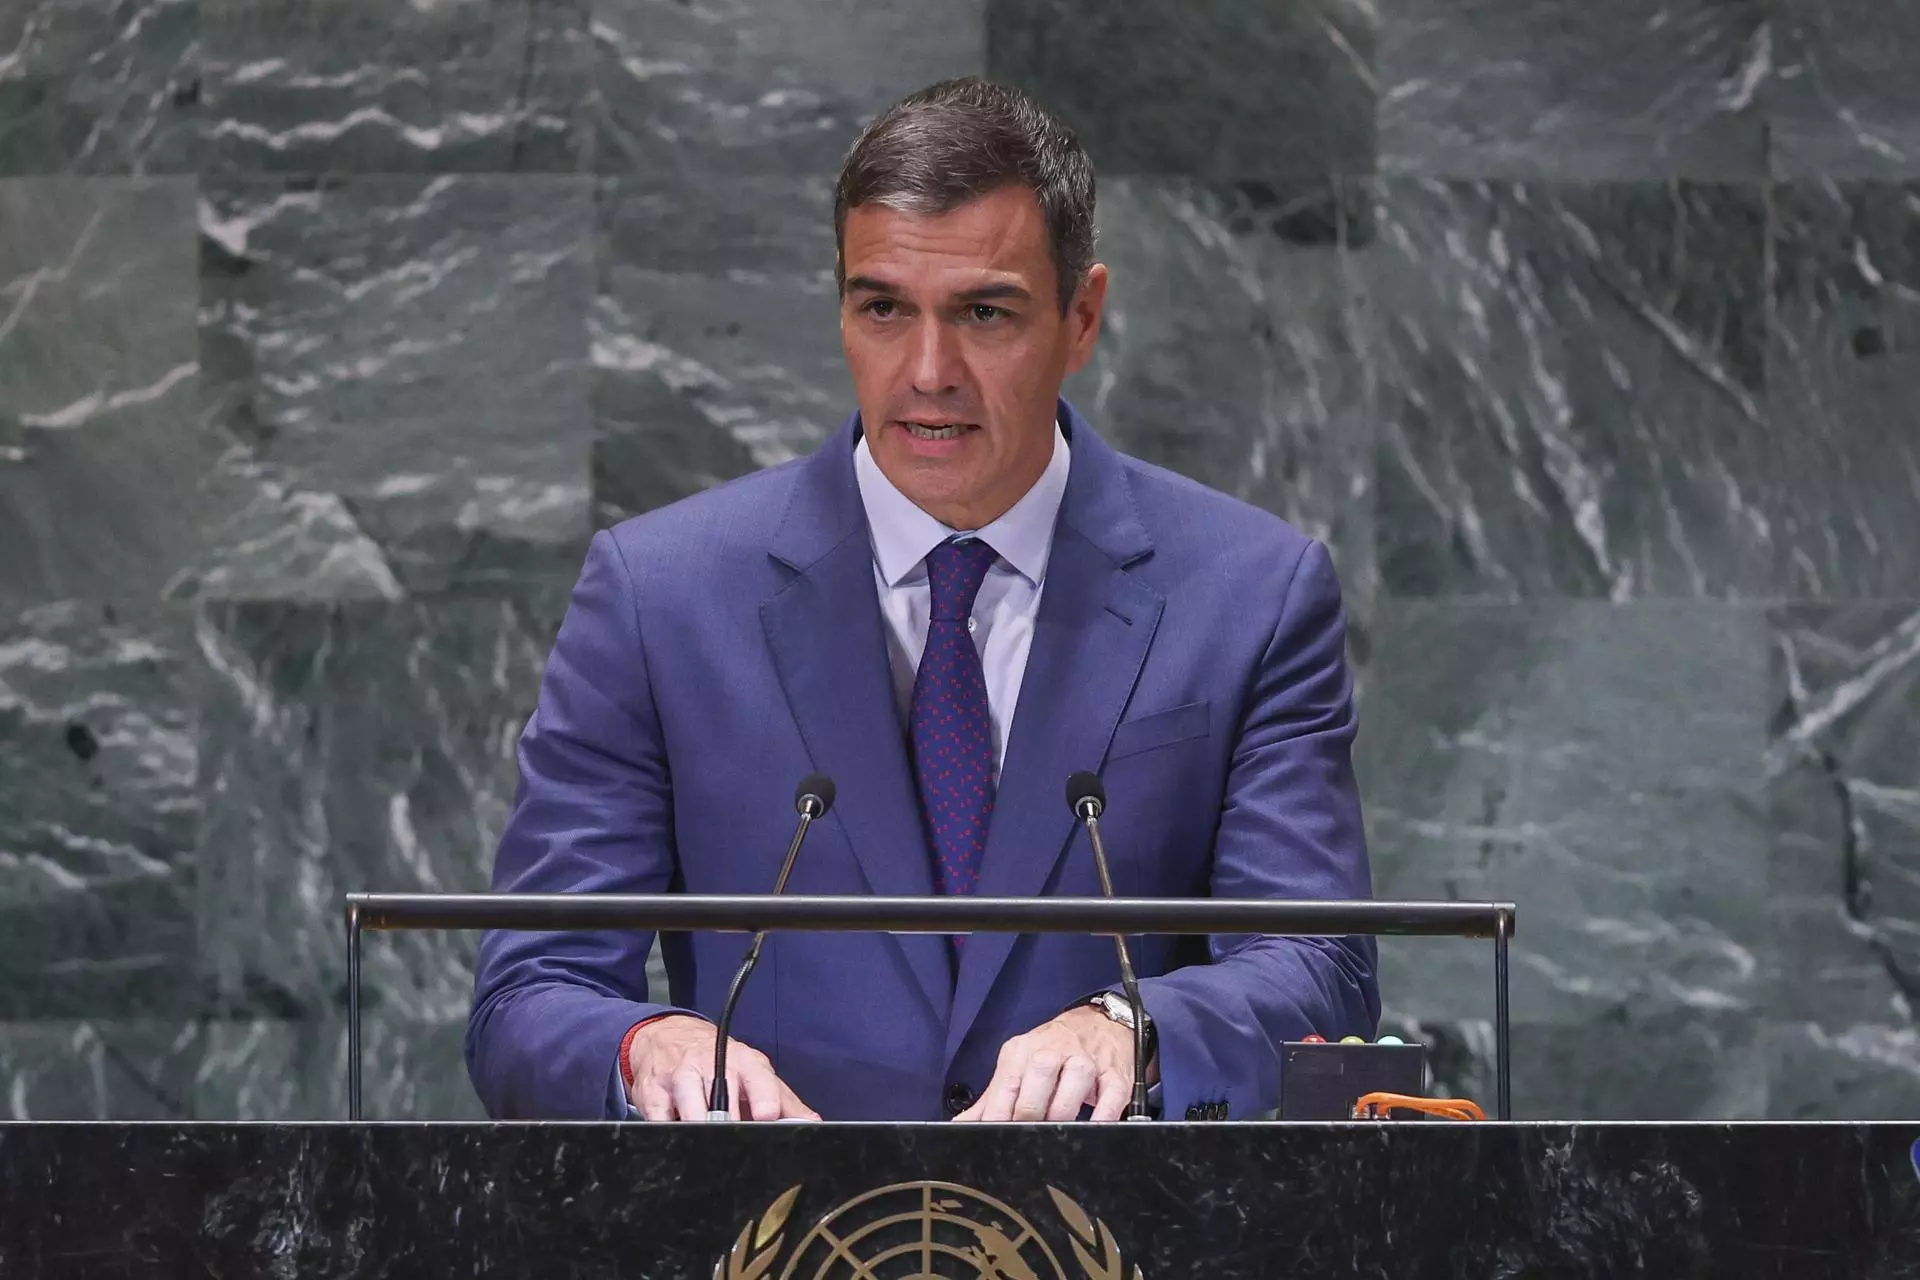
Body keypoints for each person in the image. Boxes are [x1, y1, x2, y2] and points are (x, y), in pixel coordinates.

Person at [465, 76, 1378, 1124]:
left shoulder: (1252, 594)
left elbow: (1321, 972)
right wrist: (639, 1042)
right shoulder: (658, 595)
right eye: (884, 308)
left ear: (1082, 318)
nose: (928, 371)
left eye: (985, 313)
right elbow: (529, 993)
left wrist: (1133, 1024)